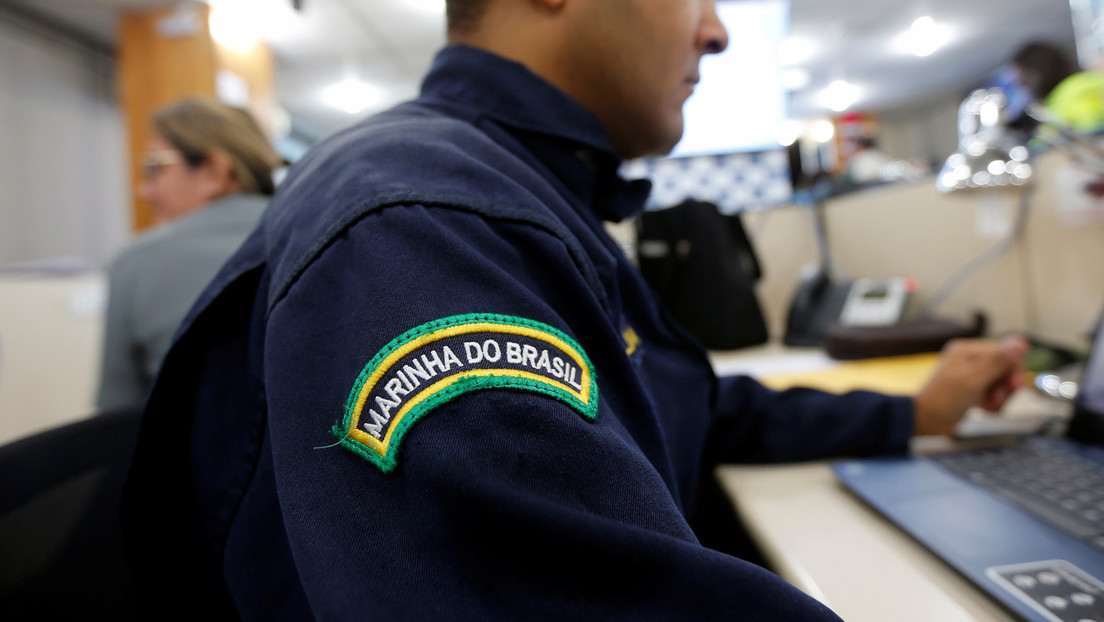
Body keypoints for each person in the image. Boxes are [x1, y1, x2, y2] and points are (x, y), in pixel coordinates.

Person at [122, 1, 1026, 619]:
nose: (717, 32)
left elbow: (682, 406)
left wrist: (914, 411)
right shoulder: (427, 219)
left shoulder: (529, 188)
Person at [95, 97, 281, 411]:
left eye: (154, 167)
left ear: (213, 172)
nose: (145, 191)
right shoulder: (320, 239)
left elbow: (115, 417)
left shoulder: (140, 261)